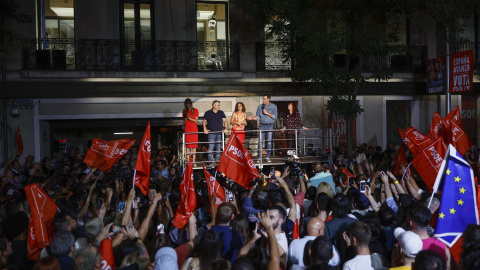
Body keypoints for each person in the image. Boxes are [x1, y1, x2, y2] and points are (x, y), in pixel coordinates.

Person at [249, 94, 277, 163]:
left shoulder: (273, 106)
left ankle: (267, 157)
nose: (263, 100)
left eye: (264, 99)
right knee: (260, 142)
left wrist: (267, 113)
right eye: (263, 99)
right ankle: (259, 157)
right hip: (262, 125)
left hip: (269, 126)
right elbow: (258, 117)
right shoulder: (260, 106)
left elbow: (275, 117)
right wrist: (252, 118)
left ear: (268, 99)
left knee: (269, 142)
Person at [203, 100, 227, 164]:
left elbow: (225, 121)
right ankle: (210, 161)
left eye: (219, 105)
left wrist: (226, 128)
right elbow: (204, 121)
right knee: (211, 147)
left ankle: (217, 161)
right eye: (218, 105)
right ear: (213, 105)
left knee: (218, 147)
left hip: (219, 133)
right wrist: (205, 129)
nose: (219, 106)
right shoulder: (208, 113)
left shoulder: (221, 112)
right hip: (211, 133)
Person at [183, 98, 199, 164]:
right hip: (187, 129)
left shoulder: (195, 110)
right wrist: (186, 117)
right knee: (188, 146)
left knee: (194, 145)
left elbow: (196, 120)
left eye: (188, 103)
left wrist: (189, 117)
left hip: (194, 128)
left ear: (191, 103)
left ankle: (194, 161)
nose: (187, 105)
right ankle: (188, 161)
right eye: (186, 104)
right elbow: (184, 121)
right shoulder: (184, 111)